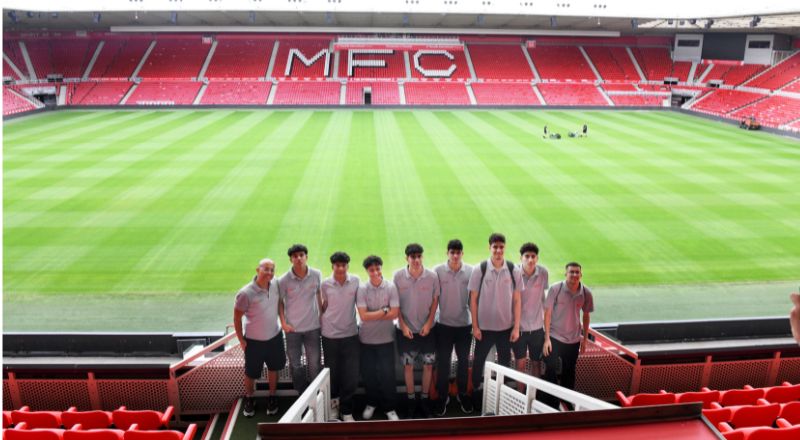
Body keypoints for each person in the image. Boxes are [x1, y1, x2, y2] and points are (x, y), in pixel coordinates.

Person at [468, 233, 521, 412]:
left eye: (501, 247)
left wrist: (516, 327)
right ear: (489, 248)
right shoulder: (480, 269)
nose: (498, 250)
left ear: (504, 248)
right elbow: (472, 299)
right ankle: (475, 394)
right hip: (484, 328)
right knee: (478, 363)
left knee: (505, 363)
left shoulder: (513, 269)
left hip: (506, 328)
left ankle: (502, 396)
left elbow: (517, 300)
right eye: (495, 247)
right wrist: (475, 326)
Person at [234, 258, 285, 417]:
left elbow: (280, 303)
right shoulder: (245, 293)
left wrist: (283, 321)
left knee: (273, 368)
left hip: (274, 337)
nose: (269, 272)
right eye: (266, 269)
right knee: (251, 373)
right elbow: (237, 318)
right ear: (258, 270)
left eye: (272, 269)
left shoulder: (276, 284)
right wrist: (241, 340)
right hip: (254, 342)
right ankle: (249, 399)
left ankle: (272, 397)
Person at [394, 243, 439, 418]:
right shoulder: (398, 276)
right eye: (413, 257)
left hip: (428, 330)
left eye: (419, 256)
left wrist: (428, 323)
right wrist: (403, 326)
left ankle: (425, 400)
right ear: (407, 258)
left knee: (428, 366)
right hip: (406, 332)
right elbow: (395, 303)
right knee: (408, 367)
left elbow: (435, 301)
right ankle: (411, 401)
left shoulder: (432, 276)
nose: (416, 260)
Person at [541, 262, 594, 410]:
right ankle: (551, 401)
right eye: (571, 272)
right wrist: (546, 339)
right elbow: (547, 313)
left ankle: (566, 400)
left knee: (569, 371)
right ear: (566, 274)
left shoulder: (586, 293)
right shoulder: (556, 289)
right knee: (550, 368)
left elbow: (586, 316)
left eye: (577, 272)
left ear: (581, 275)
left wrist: (584, 340)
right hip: (554, 337)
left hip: (573, 339)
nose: (574, 275)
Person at [432, 239, 474, 416]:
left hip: (465, 325)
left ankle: (462, 394)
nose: (455, 255)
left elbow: (474, 299)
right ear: (447, 253)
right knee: (443, 362)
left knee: (464, 362)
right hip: (443, 325)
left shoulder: (471, 271)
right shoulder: (438, 271)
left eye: (458, 252)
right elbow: (434, 299)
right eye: (452, 252)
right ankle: (443, 396)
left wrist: (477, 325)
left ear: (462, 254)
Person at [357, 255, 401, 421]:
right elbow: (363, 316)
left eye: (377, 268)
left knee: (388, 375)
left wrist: (373, 313)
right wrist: (384, 310)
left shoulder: (391, 287)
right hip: (366, 340)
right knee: (369, 375)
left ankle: (390, 407)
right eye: (371, 270)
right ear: (367, 271)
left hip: (386, 339)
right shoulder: (362, 289)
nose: (375, 272)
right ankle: (371, 403)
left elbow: (395, 313)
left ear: (381, 268)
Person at [319, 252, 360, 422]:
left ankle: (346, 409)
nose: (341, 268)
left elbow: (361, 304)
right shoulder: (325, 284)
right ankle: (334, 407)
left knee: (350, 374)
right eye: (337, 265)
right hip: (329, 335)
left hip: (350, 334)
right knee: (333, 373)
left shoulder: (356, 281)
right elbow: (323, 307)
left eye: (344, 265)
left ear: (347, 266)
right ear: (332, 266)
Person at [278, 244, 323, 395]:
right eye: (295, 256)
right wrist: (283, 323)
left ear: (306, 257)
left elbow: (319, 295)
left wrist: (321, 317)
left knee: (314, 365)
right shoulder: (283, 280)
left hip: (313, 328)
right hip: (293, 330)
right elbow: (280, 302)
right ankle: (301, 395)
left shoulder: (316, 274)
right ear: (291, 259)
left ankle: (316, 394)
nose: (298, 258)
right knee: (295, 365)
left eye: (301, 255)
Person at [512, 243, 549, 387]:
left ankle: (535, 396)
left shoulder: (543, 273)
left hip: (537, 329)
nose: (530, 260)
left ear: (537, 258)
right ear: (521, 258)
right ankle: (521, 398)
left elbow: (543, 298)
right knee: (520, 365)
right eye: (527, 256)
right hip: (519, 329)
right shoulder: (514, 273)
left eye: (533, 256)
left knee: (536, 364)